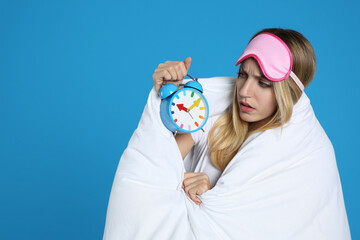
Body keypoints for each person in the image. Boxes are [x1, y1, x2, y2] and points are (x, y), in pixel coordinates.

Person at [152, 28, 317, 206]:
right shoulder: (209, 125)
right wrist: (167, 97)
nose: (244, 91)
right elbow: (151, 176)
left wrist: (212, 198)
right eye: (242, 75)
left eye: (263, 83)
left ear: (288, 94)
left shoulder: (293, 160)